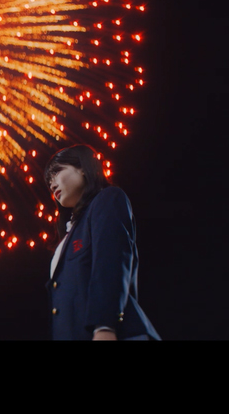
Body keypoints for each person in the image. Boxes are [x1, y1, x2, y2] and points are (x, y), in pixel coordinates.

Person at [43, 145, 160, 341]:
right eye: (49, 181)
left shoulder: (107, 198)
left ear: (82, 167)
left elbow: (110, 262)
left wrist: (104, 326)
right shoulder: (69, 234)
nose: (52, 184)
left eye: (56, 173)